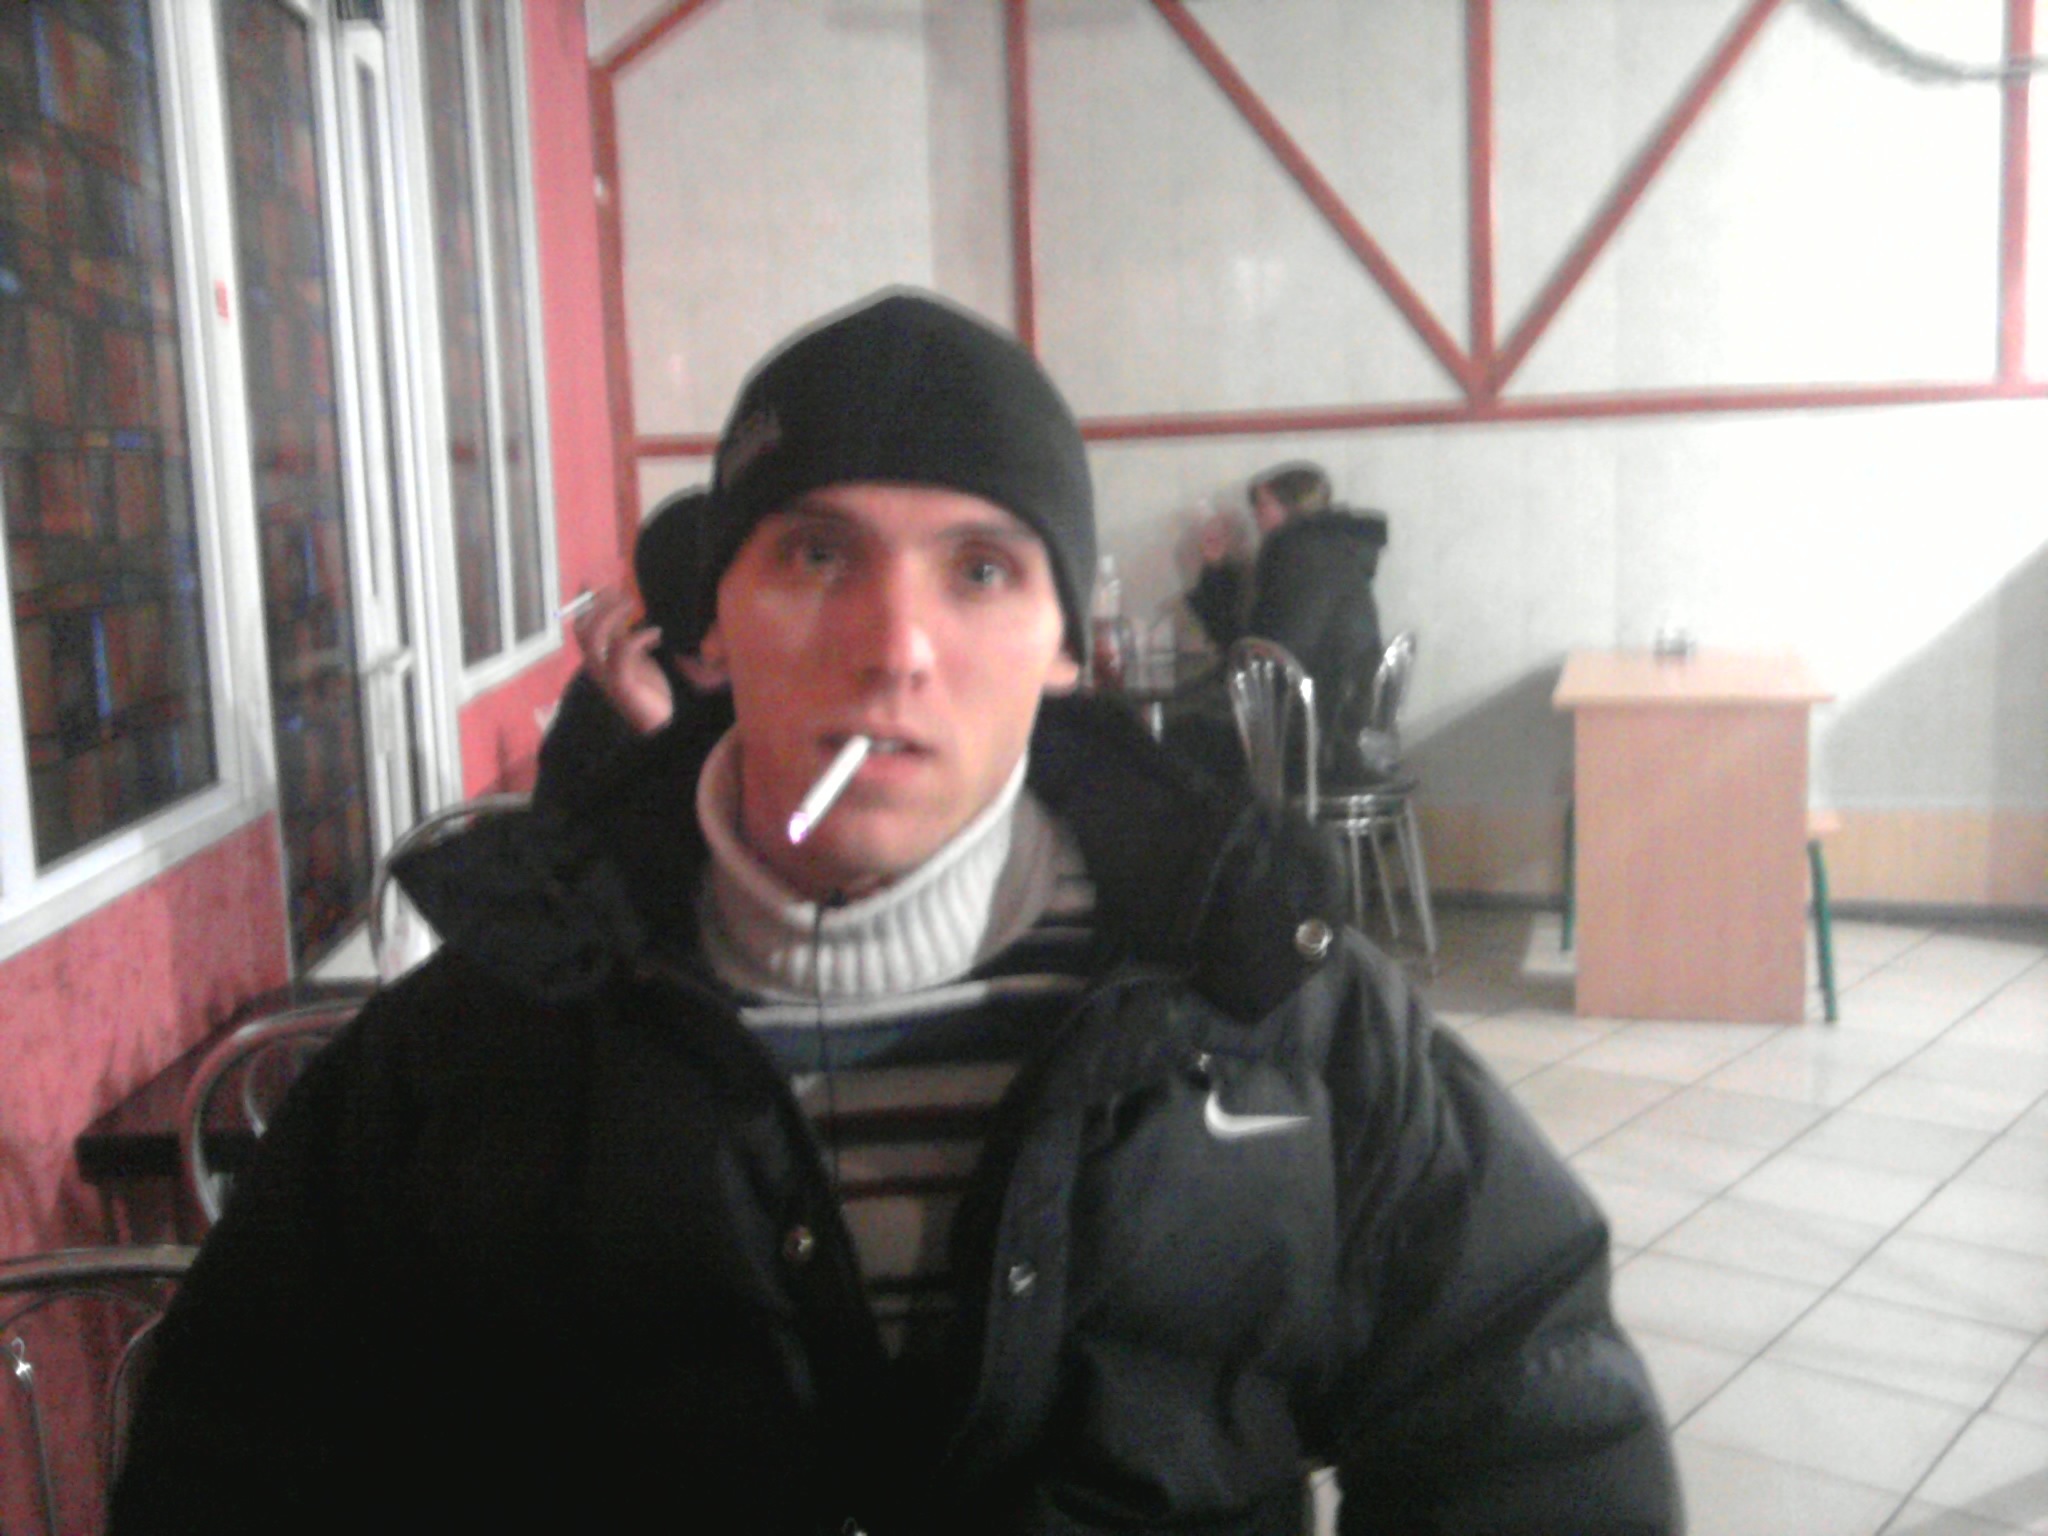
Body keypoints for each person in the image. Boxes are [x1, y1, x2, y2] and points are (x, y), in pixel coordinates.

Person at [114, 291, 1678, 1535]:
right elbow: (241, 1464)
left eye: (981, 571)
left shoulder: (1271, 1007)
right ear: (714, 623)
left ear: (1068, 643)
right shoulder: (479, 1050)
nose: (895, 645)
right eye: (815, 555)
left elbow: (1532, 1417)